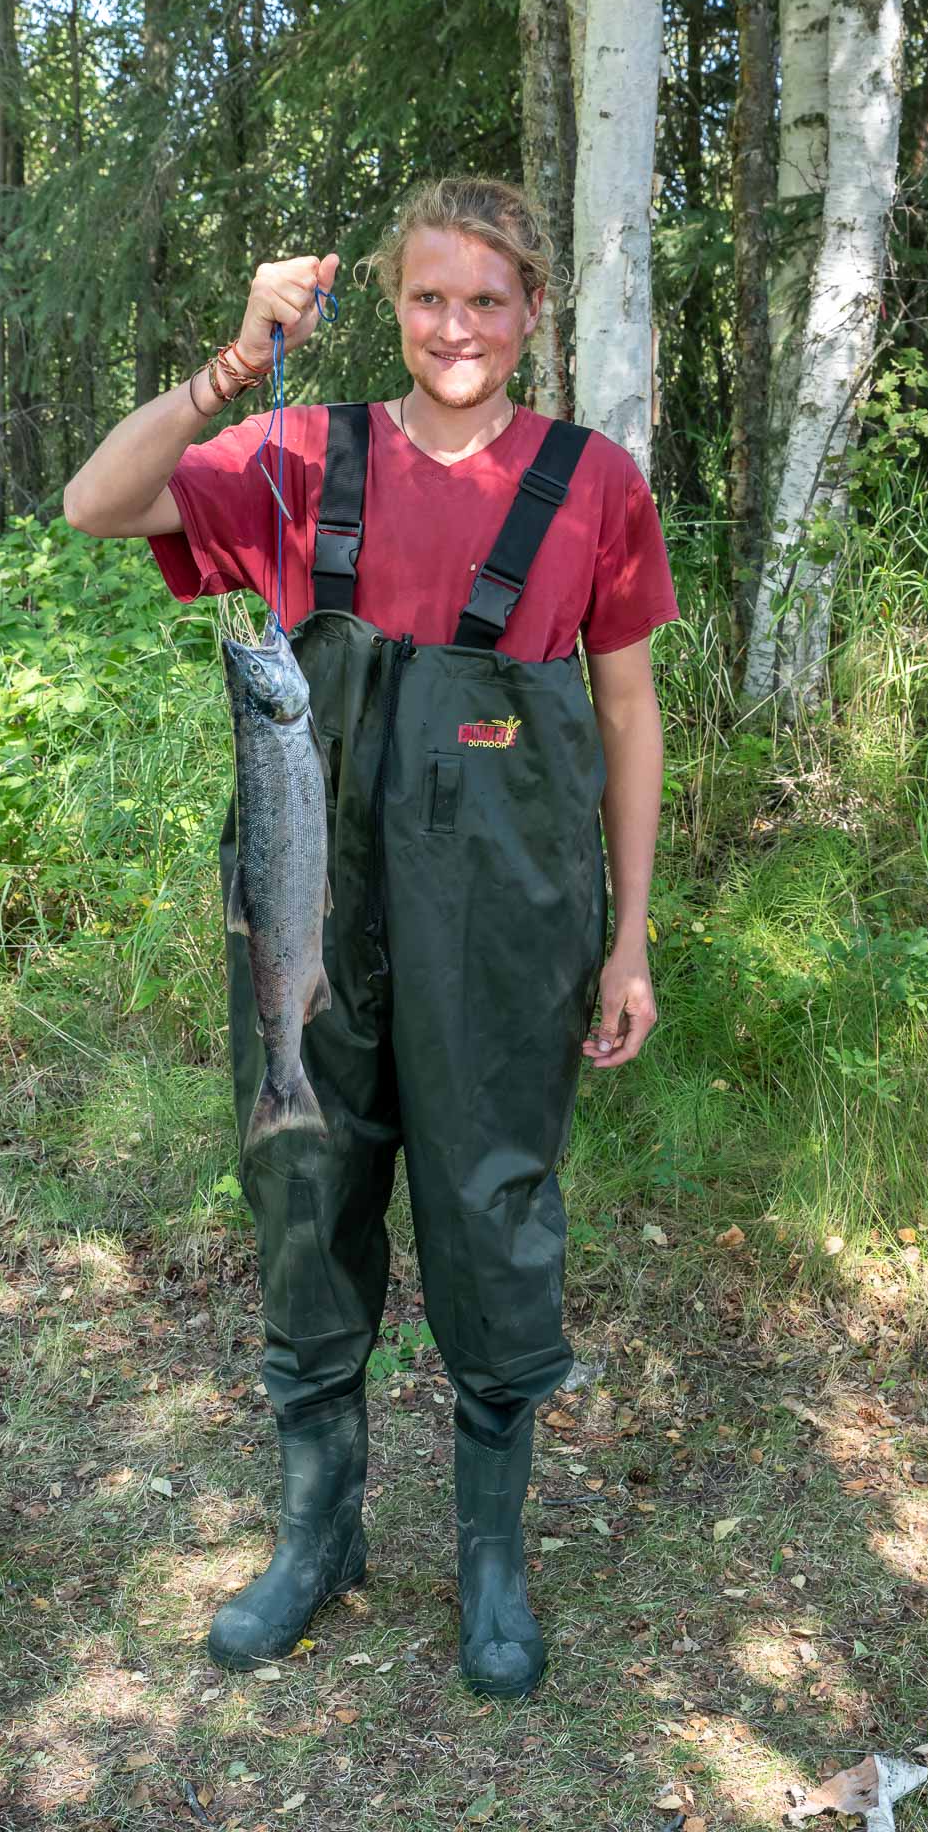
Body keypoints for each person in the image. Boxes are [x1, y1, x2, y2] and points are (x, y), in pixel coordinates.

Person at [64, 174, 680, 1700]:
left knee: (492, 1218)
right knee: (304, 1192)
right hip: (308, 911)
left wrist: (630, 941)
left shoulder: (592, 484)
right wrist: (227, 361)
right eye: (428, 298)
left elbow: (625, 712)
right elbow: (99, 501)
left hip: (511, 925)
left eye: (487, 299)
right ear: (390, 306)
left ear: (532, 312)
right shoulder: (299, 457)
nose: (455, 326)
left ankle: (490, 1562)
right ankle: (318, 1534)